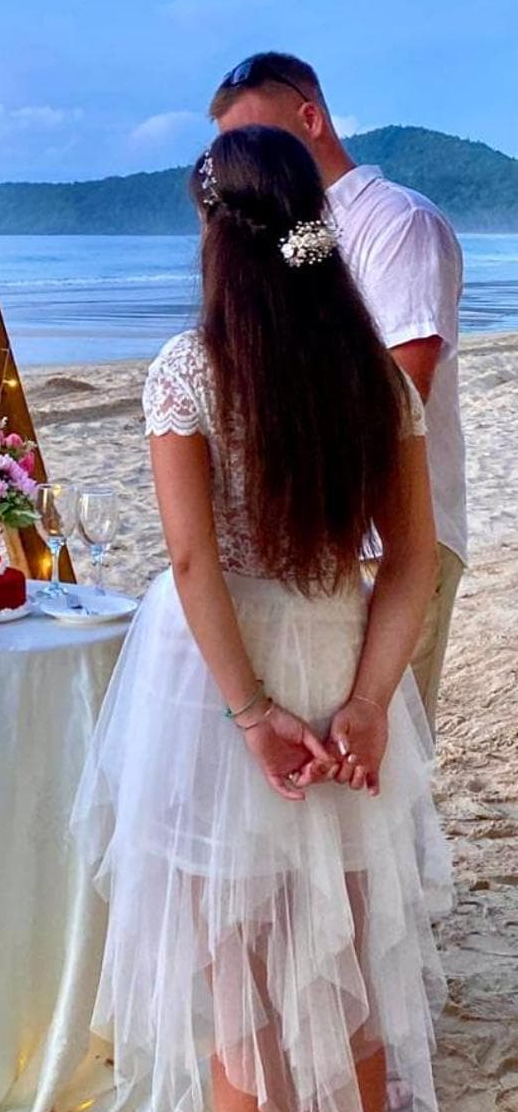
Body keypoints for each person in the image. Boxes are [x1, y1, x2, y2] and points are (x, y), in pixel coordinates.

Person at [72, 126, 450, 1112]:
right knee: (349, 970)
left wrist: (249, 715)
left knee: (245, 986)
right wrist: (368, 701)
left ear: (212, 235)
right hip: (339, 659)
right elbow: (411, 563)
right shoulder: (372, 374)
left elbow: (193, 565)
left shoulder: (190, 370)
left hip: (224, 685)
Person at [208, 52, 466, 737]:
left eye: (257, 136)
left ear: (311, 119)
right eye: (233, 148)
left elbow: (405, 387)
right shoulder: (271, 238)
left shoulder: (396, 224)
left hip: (392, 528)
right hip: (309, 540)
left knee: (385, 739)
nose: (249, 158)